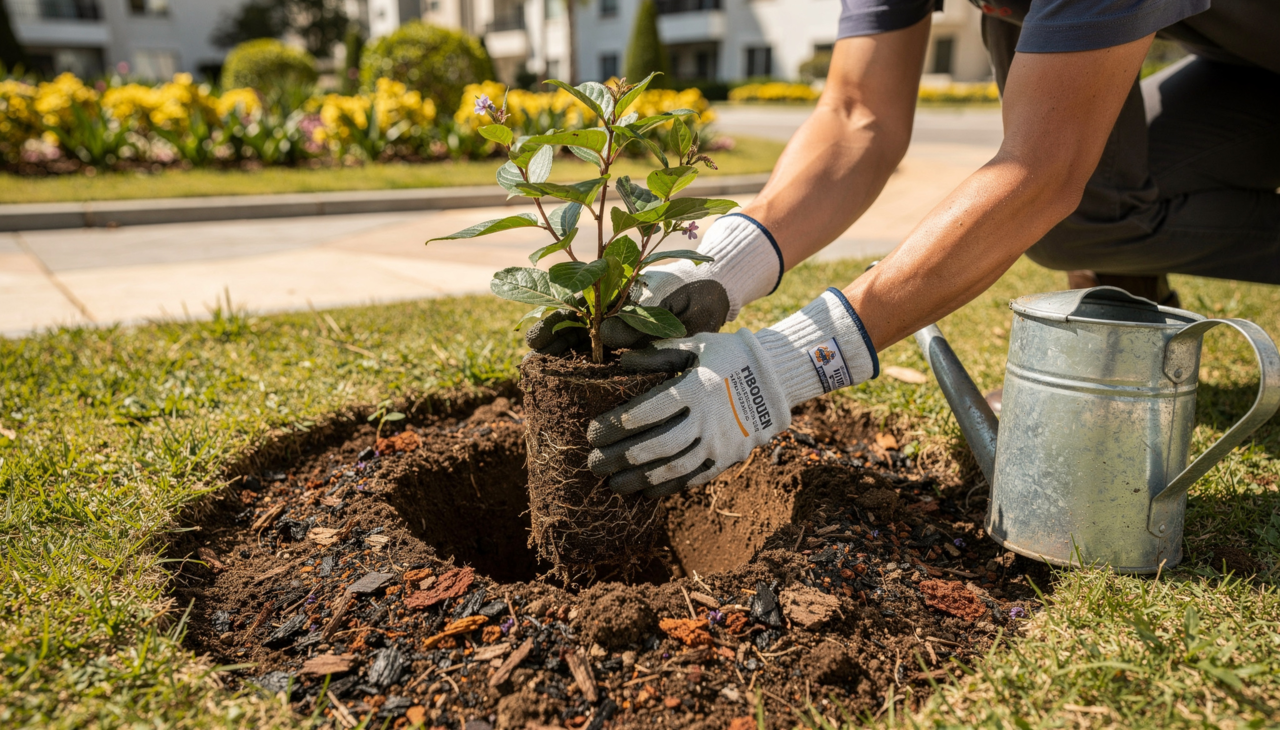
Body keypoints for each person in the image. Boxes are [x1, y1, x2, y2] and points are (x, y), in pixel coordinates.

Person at [528, 0, 1280, 498]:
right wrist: (721, 263)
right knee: (1076, 187)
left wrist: (783, 366)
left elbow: (1041, 172)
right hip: (1247, 70)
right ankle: (1127, 320)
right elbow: (858, 115)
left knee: (1056, 174)